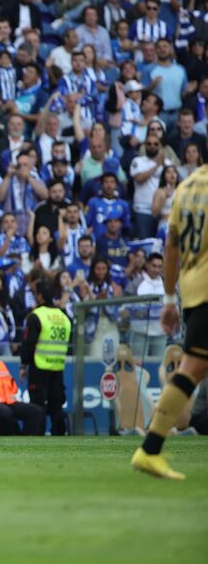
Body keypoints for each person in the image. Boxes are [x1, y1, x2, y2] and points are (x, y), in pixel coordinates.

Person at [132, 164, 208, 480]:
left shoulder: (188, 187)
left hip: (191, 289)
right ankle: (149, 449)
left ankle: (150, 449)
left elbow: (171, 245)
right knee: (192, 368)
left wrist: (169, 299)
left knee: (194, 367)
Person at [20, 281, 72, 436]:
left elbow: (29, 343)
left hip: (39, 366)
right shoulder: (64, 317)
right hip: (57, 367)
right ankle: (59, 435)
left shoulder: (36, 315)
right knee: (57, 405)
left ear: (40, 295)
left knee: (37, 405)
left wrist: (24, 365)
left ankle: (38, 435)